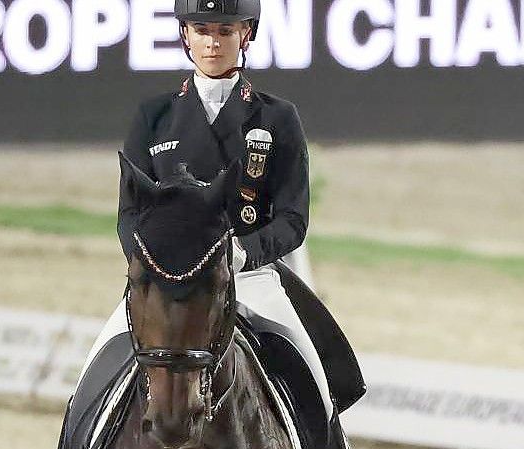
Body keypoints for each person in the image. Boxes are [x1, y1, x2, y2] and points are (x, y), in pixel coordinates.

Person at [75, 0, 363, 445]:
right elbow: (129, 214)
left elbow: (292, 219)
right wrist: (154, 262)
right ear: (185, 35)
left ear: (246, 35)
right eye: (202, 29)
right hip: (163, 284)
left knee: (318, 387)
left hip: (249, 277)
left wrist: (243, 253)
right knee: (87, 388)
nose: (213, 42)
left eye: (225, 31)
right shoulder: (153, 116)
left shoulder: (277, 117)